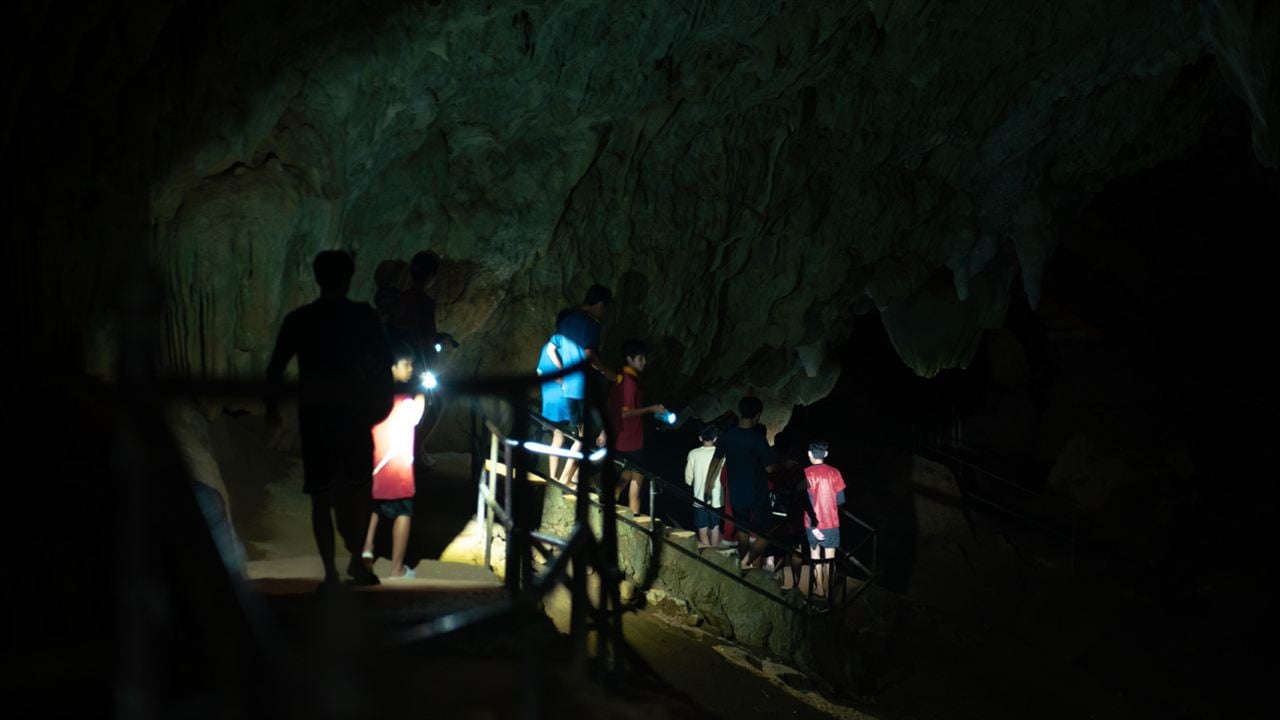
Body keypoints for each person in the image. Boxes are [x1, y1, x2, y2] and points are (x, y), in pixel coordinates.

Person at [265, 250, 392, 590]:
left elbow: (276, 367)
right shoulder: (362, 317)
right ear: (349, 278)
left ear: (317, 278)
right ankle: (356, 561)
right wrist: (379, 404)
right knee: (361, 487)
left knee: (320, 494)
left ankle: (330, 573)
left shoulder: (300, 319)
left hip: (317, 415)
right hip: (353, 413)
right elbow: (382, 362)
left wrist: (272, 409)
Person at [361, 345, 426, 580]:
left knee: (373, 507)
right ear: (392, 367)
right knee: (403, 512)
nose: (411, 369)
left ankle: (367, 549)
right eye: (406, 364)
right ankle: (397, 569)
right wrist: (421, 393)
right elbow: (417, 416)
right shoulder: (405, 399)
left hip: (374, 464)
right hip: (397, 468)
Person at [388, 251, 456, 466]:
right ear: (431, 275)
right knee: (435, 404)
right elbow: (425, 336)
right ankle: (415, 449)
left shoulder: (401, 298)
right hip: (418, 367)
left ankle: (416, 448)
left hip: (398, 365)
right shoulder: (425, 302)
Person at [708, 397, 782, 571]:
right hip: (756, 494)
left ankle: (743, 567)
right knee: (767, 532)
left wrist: (707, 483)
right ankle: (745, 562)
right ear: (757, 415)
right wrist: (785, 464)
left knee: (742, 531)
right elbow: (770, 468)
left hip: (736, 493)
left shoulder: (728, 435)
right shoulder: (757, 438)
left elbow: (716, 459)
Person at [554, 284, 616, 485]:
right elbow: (590, 356)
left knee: (574, 434)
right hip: (582, 386)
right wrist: (609, 373)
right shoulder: (592, 325)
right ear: (599, 304)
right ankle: (564, 480)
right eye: (604, 307)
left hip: (565, 385)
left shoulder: (567, 320)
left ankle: (566, 478)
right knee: (583, 437)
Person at [607, 339, 666, 514]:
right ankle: (636, 522)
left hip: (626, 440)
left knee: (622, 482)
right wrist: (651, 409)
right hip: (631, 442)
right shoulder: (628, 382)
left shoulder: (623, 379)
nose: (644, 362)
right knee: (635, 489)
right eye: (641, 358)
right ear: (630, 359)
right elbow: (625, 413)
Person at [536, 309, 582, 482]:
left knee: (559, 436)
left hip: (550, 399)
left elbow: (540, 371)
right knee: (581, 436)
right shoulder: (568, 344)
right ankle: (566, 478)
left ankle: (555, 477)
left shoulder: (548, 345)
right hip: (565, 398)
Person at [804, 440, 846, 597]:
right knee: (830, 558)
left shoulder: (805, 473)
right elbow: (841, 499)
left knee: (815, 556)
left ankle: (819, 588)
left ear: (809, 454)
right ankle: (829, 591)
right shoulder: (835, 473)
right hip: (831, 522)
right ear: (826, 454)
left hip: (811, 523)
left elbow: (804, 500)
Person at [684, 424, 725, 547]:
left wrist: (691, 482)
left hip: (699, 497)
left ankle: (708, 555)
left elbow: (688, 478)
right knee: (715, 527)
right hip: (717, 498)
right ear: (716, 438)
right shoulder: (721, 454)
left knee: (702, 528)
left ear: (700, 438)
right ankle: (716, 555)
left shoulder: (693, 454)